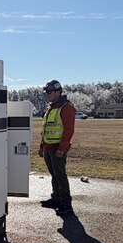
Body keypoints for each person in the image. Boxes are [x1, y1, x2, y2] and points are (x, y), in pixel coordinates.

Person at [38, 79, 76, 217]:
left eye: (49, 92)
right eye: (46, 92)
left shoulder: (66, 107)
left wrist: (62, 148)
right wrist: (42, 146)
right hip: (48, 147)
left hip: (57, 148)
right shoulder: (51, 107)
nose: (47, 94)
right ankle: (56, 199)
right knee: (54, 175)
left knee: (60, 176)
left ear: (58, 91)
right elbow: (46, 129)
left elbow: (69, 130)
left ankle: (66, 204)